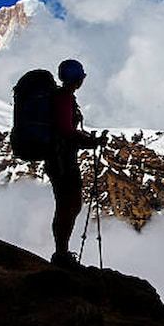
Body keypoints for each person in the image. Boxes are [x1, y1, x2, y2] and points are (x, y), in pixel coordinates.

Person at [45, 59, 107, 267]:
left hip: (57, 158)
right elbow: (65, 131)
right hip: (62, 160)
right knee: (69, 204)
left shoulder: (59, 97)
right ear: (79, 79)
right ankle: (61, 253)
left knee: (68, 204)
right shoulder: (64, 98)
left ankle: (61, 250)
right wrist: (89, 141)